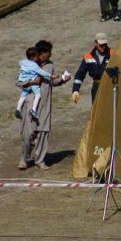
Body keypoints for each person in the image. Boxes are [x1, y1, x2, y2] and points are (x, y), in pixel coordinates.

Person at [18, 40, 71, 170]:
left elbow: (54, 81)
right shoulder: (28, 65)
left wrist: (63, 79)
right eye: (48, 52)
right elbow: (20, 82)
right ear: (42, 53)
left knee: (43, 133)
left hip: (45, 105)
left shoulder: (50, 65)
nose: (50, 54)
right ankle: (25, 158)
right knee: (28, 135)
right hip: (30, 105)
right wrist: (32, 81)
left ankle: (40, 160)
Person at [71, 32, 112, 103]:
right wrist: (75, 90)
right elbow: (80, 75)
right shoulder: (88, 57)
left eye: (105, 44)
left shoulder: (113, 54)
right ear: (96, 43)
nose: (103, 47)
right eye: (101, 45)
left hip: (110, 87)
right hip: (96, 88)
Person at [15, 46, 50, 120]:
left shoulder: (24, 62)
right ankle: (33, 110)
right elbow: (41, 72)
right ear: (32, 57)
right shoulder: (34, 65)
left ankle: (18, 109)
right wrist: (51, 76)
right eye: (36, 56)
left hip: (24, 81)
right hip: (33, 81)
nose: (37, 58)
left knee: (23, 95)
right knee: (38, 95)